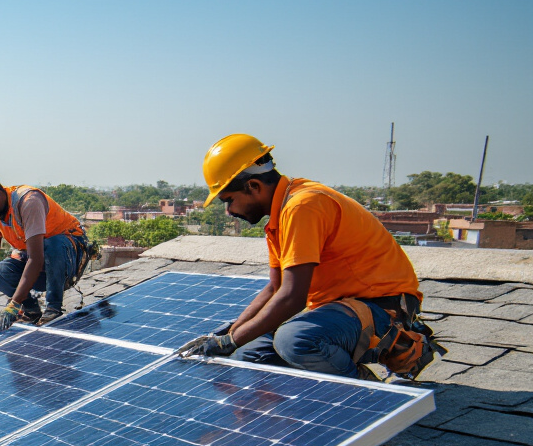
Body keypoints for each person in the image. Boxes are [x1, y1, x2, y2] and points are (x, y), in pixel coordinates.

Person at [181, 134, 439, 380]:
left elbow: (293, 298)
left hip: (383, 309)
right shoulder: (280, 218)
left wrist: (230, 340)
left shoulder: (303, 206)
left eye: (229, 200)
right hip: (339, 312)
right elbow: (276, 288)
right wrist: (232, 332)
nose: (228, 211)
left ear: (254, 186)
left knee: (294, 339)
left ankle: (367, 395)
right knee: (249, 354)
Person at [0, 164, 90, 333]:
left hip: (67, 256)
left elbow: (36, 258)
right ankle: (31, 309)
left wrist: (14, 304)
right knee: (0, 271)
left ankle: (53, 308)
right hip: (42, 265)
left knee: (51, 244)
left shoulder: (28, 202)